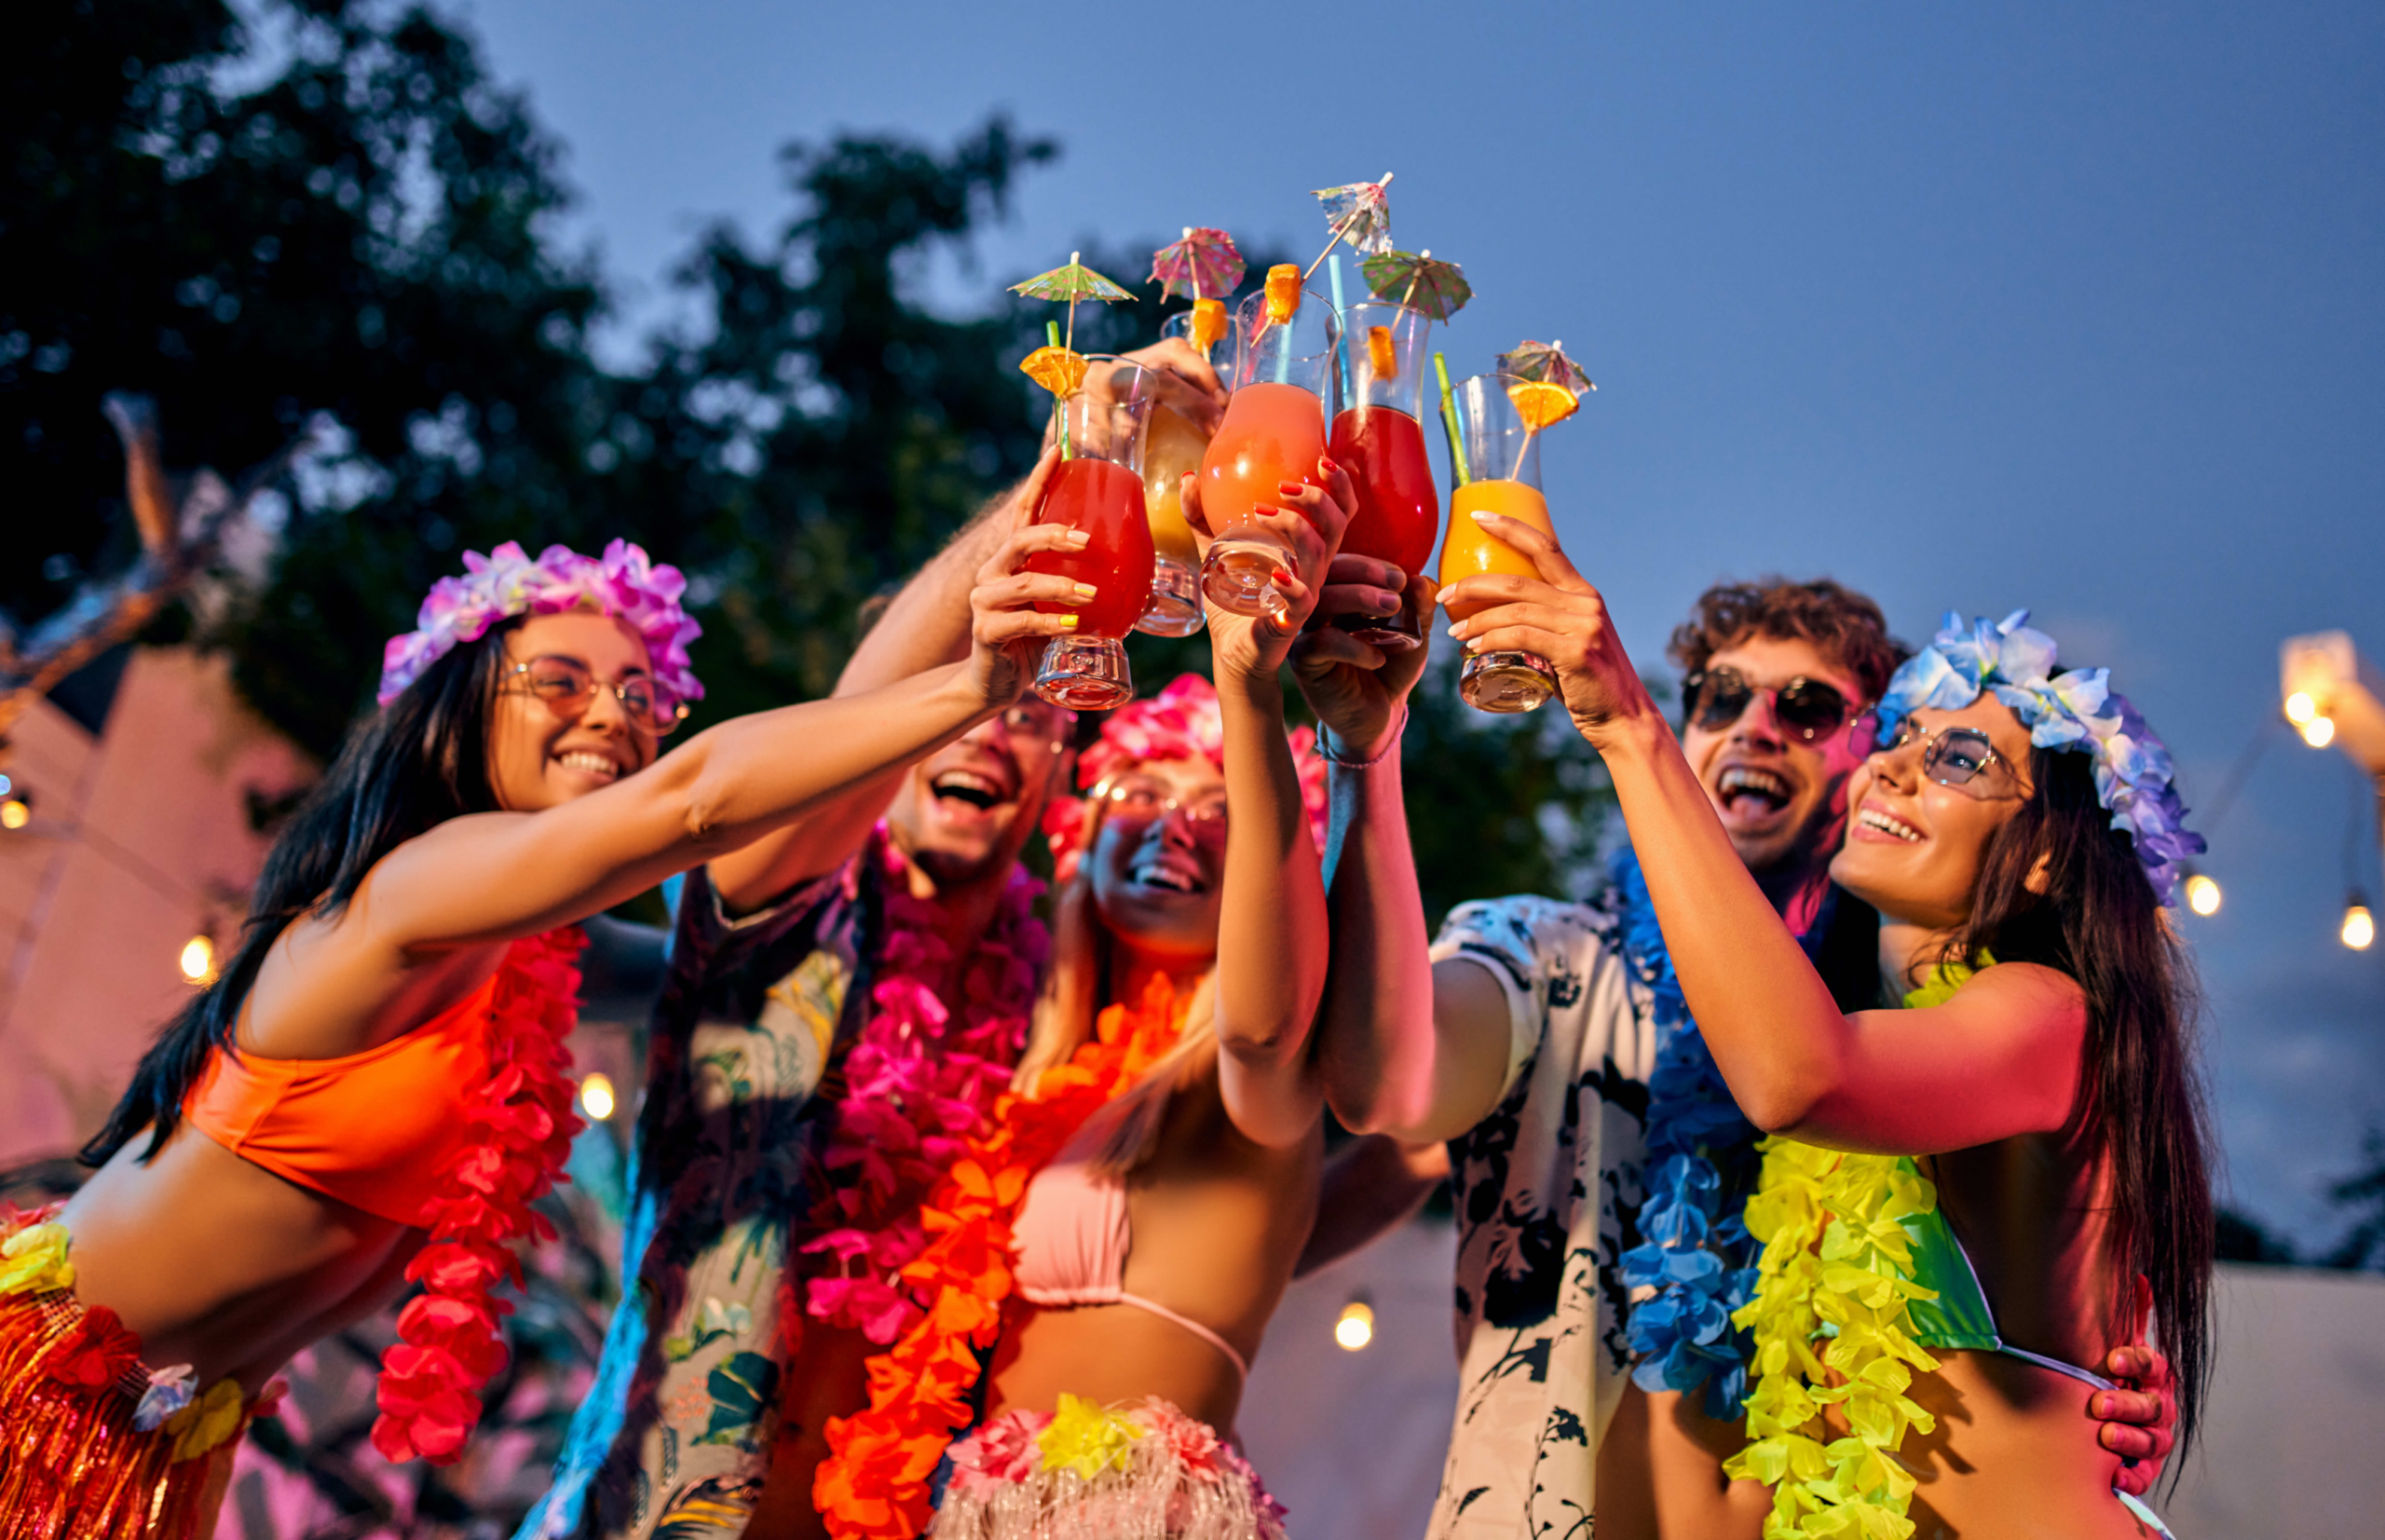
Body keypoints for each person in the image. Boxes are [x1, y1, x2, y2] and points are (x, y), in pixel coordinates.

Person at [0, 523, 1078, 1540]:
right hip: (34, 1395)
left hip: (158, 1452)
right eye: (561, 681)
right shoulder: (406, 895)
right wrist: (972, 688)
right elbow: (695, 802)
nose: (614, 713)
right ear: (457, 701)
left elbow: (735, 950)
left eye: (642, 692)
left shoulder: (530, 959)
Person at [1285, 562, 2180, 1540]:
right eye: (1716, 698)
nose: (1753, 726)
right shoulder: (1553, 958)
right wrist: (1363, 759)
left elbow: (1815, 1079)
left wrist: (2091, 1371)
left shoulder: (1896, 1033)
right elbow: (1382, 1083)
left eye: (1804, 709)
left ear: (1852, 758)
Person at [523, 340, 1246, 1540]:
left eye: (1029, 709)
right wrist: (1069, 477)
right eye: (971, 687)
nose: (988, 729)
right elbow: (858, 715)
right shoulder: (783, 896)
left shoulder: (1059, 1010)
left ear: (1062, 762)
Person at [898, 462, 1359, 1540]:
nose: (1176, 826)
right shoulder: (1037, 1073)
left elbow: (1257, 1014)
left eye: (1218, 809)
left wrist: (1247, 682)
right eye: (1142, 792)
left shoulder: (1259, 1069)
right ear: (1079, 844)